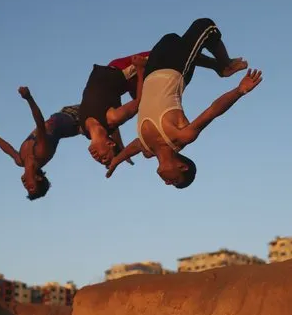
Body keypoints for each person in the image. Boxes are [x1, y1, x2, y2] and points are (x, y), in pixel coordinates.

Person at [104, 17, 263, 188]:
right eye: (175, 180)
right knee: (206, 26)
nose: (167, 183)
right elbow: (212, 111)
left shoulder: (147, 149)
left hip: (151, 69)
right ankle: (226, 66)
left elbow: (134, 147)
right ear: (182, 166)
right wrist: (239, 91)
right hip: (176, 68)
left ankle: (217, 67)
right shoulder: (182, 135)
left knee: (171, 39)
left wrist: (116, 161)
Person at [0, 86, 82, 200]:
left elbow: (8, 149)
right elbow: (40, 124)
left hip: (63, 113)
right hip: (75, 120)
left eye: (26, 189)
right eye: (31, 187)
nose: (26, 186)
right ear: (39, 178)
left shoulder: (20, 160)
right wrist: (29, 98)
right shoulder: (41, 153)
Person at [78, 51, 150, 166]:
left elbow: (109, 131)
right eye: (105, 158)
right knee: (169, 51)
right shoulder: (113, 118)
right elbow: (138, 103)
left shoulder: (84, 129)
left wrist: (120, 146)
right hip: (125, 70)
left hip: (116, 74)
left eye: (100, 161)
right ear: (110, 144)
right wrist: (140, 69)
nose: (98, 159)